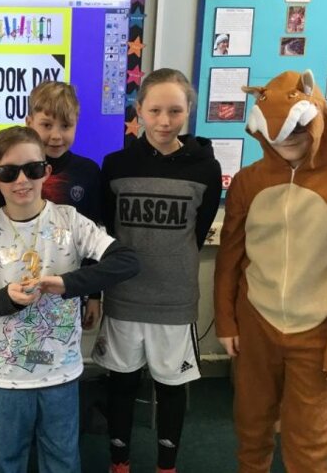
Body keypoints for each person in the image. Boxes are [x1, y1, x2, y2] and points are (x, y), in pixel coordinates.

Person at [214, 70, 327, 472]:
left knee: (308, 440)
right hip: (256, 324)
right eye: (276, 132)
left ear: (317, 119)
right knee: (251, 426)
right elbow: (230, 258)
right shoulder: (248, 182)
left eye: (298, 129)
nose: (286, 139)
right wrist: (226, 320)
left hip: (318, 333)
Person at [0, 126, 140, 473]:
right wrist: (8, 300)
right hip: (7, 374)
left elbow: (126, 261)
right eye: (9, 172)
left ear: (46, 171)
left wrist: (67, 283)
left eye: (32, 169)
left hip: (60, 370)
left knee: (62, 458)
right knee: (7, 459)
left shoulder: (69, 220)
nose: (22, 180)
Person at [93, 68, 222, 473]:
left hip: (174, 301)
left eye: (175, 111)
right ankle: (119, 462)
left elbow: (197, 233)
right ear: (139, 111)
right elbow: (107, 233)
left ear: (188, 111)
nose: (165, 121)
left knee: (171, 388)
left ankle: (167, 466)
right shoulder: (115, 164)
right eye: (155, 110)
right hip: (124, 298)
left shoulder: (206, 168)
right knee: (121, 384)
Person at [0, 80, 103, 327]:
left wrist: (94, 295)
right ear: (29, 123)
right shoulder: (8, 174)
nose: (56, 136)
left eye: (66, 126)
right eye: (46, 125)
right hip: (13, 287)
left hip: (65, 292)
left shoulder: (88, 172)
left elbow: (95, 236)